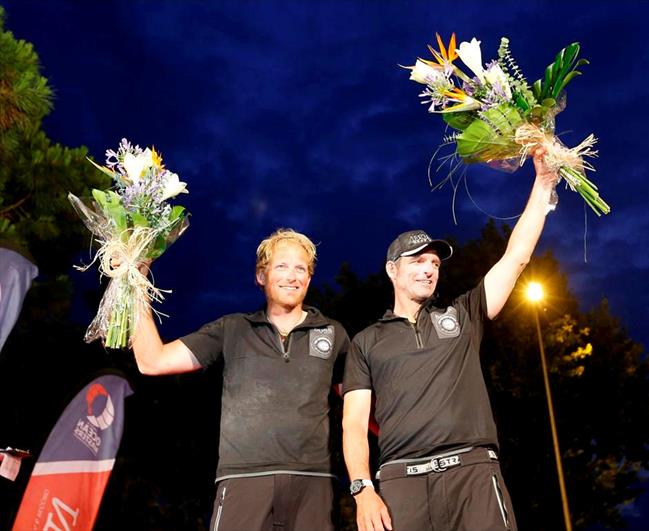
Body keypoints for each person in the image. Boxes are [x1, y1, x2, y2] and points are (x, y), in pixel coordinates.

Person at [342, 149, 559, 531]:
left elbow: (516, 258)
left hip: (472, 475)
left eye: (435, 264)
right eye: (417, 262)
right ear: (393, 270)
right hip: (401, 484)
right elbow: (354, 425)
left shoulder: (462, 316)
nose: (428, 270)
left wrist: (543, 184)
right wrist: (363, 490)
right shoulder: (365, 342)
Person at [131, 228, 349, 531]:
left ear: (309, 279)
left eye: (301, 268)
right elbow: (152, 361)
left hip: (313, 481)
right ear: (261, 276)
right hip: (244, 479)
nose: (292, 276)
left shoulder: (333, 334)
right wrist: (133, 281)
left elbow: (360, 406)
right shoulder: (233, 329)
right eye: (282, 266)